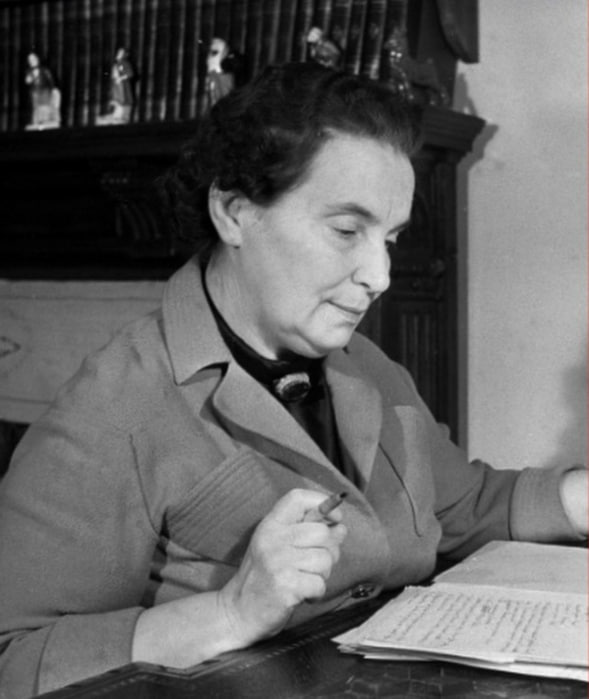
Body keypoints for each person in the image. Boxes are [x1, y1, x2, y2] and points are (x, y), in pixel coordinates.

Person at [0, 62, 586, 698]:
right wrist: (230, 612)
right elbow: (13, 657)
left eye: (390, 239)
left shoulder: (367, 366)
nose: (380, 275)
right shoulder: (117, 407)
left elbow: (466, 506)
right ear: (234, 212)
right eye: (346, 230)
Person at [24, 52, 61, 130]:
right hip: (36, 97)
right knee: (37, 111)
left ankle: (47, 122)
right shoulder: (29, 73)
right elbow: (27, 81)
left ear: (37, 59)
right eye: (30, 60)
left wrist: (54, 92)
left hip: (45, 95)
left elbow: (51, 83)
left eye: (33, 59)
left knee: (46, 109)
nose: (32, 61)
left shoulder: (44, 71)